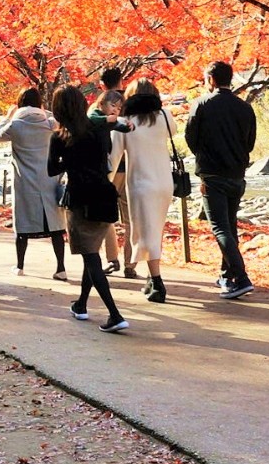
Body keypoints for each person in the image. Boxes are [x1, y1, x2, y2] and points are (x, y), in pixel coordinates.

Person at [47, 83, 127, 332]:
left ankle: (115, 314)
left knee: (91, 257)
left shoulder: (60, 136)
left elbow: (52, 169)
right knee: (90, 253)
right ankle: (81, 305)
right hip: (104, 193)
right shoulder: (100, 126)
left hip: (80, 198)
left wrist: (69, 160)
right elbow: (108, 152)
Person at [186, 59, 258, 299]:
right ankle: (227, 276)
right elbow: (250, 143)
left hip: (212, 173)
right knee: (229, 225)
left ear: (211, 80)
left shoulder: (202, 104)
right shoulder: (245, 107)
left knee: (219, 227)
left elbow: (191, 138)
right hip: (237, 174)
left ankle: (241, 277)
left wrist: (203, 156)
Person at [109, 78, 176, 303]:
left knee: (145, 233)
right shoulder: (165, 116)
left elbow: (114, 156)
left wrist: (105, 181)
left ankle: (157, 283)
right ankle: (151, 278)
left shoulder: (124, 122)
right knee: (154, 230)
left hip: (140, 183)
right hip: (164, 182)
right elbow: (172, 133)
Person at [0, 87, 65, 279]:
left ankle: (20, 265)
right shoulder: (50, 123)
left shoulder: (15, 125)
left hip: (25, 181)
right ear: (40, 103)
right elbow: (60, 120)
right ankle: (60, 268)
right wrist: (43, 110)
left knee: (23, 227)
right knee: (56, 225)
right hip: (49, 178)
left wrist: (8, 117)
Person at [90, 66, 139, 278]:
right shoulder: (132, 103)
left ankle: (112, 259)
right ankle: (131, 264)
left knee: (105, 215)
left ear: (101, 84)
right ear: (121, 80)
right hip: (131, 166)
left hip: (107, 168)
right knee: (130, 218)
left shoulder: (97, 106)